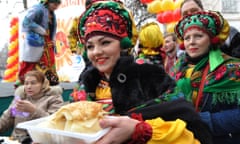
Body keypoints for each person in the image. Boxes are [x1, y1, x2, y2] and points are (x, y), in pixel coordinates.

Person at [74, 0, 213, 143]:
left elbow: (191, 130)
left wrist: (140, 129)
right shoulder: (85, 86)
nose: (96, 52)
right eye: (90, 46)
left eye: (105, 43)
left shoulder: (150, 76)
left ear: (122, 44)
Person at [172, 10, 240, 144]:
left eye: (198, 36)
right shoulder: (177, 69)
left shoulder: (233, 68)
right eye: (187, 38)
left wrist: (204, 121)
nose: (191, 42)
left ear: (211, 39)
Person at [0, 70, 64, 143]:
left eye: (33, 83)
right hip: (16, 140)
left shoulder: (54, 98)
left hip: (39, 141)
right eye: (26, 83)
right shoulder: (21, 97)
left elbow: (54, 122)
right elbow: (6, 119)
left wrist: (34, 111)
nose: (29, 86)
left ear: (43, 84)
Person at [17, 0, 61, 87]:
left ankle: (47, 82)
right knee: (35, 61)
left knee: (50, 61)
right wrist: (40, 30)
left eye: (57, 4)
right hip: (37, 41)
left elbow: (51, 28)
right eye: (54, 4)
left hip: (47, 41)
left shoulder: (51, 13)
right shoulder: (38, 9)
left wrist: (52, 39)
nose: (56, 6)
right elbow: (26, 21)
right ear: (48, 2)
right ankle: (31, 82)